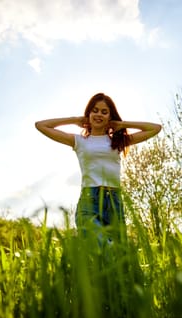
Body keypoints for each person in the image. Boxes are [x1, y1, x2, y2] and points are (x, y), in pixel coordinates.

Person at [35, 92, 162, 244]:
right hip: (90, 200)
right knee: (102, 245)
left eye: (104, 111)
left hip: (114, 201)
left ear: (110, 116)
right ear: (88, 113)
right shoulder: (79, 141)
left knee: (118, 255)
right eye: (94, 110)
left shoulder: (118, 141)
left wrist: (122, 125)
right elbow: (41, 125)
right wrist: (75, 120)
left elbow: (155, 128)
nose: (99, 114)